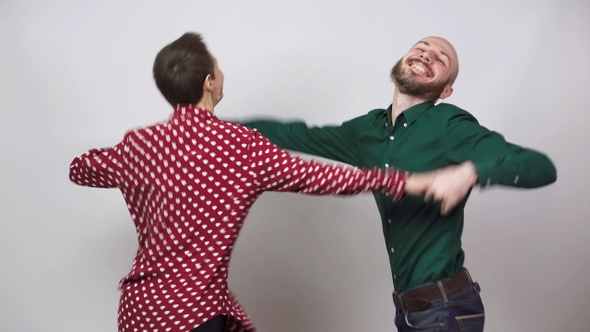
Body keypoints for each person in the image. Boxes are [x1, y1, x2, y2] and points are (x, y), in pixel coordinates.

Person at [69, 33, 478, 332]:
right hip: (193, 314)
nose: (221, 72)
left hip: (137, 312)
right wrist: (407, 182)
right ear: (210, 83)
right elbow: (325, 178)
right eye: (217, 66)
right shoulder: (239, 146)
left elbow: (81, 168)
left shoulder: (139, 145)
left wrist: (134, 170)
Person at [239, 36, 557, 331]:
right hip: (409, 312)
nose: (427, 55)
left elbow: (539, 167)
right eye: (421, 47)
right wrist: (210, 125)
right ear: (403, 59)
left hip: (446, 309)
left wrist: (470, 172)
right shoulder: (367, 131)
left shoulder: (448, 125)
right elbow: (299, 135)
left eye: (440, 59)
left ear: (445, 90)